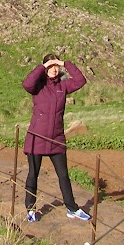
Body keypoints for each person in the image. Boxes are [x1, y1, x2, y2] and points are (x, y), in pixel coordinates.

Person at [22, 53, 90, 222]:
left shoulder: (63, 86)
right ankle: (30, 209)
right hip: (37, 137)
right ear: (45, 69)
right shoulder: (38, 87)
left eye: (56, 67)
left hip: (56, 138)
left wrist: (64, 62)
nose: (54, 69)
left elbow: (81, 80)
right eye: (50, 67)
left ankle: (72, 208)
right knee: (33, 174)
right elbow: (27, 83)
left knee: (63, 175)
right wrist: (42, 66)